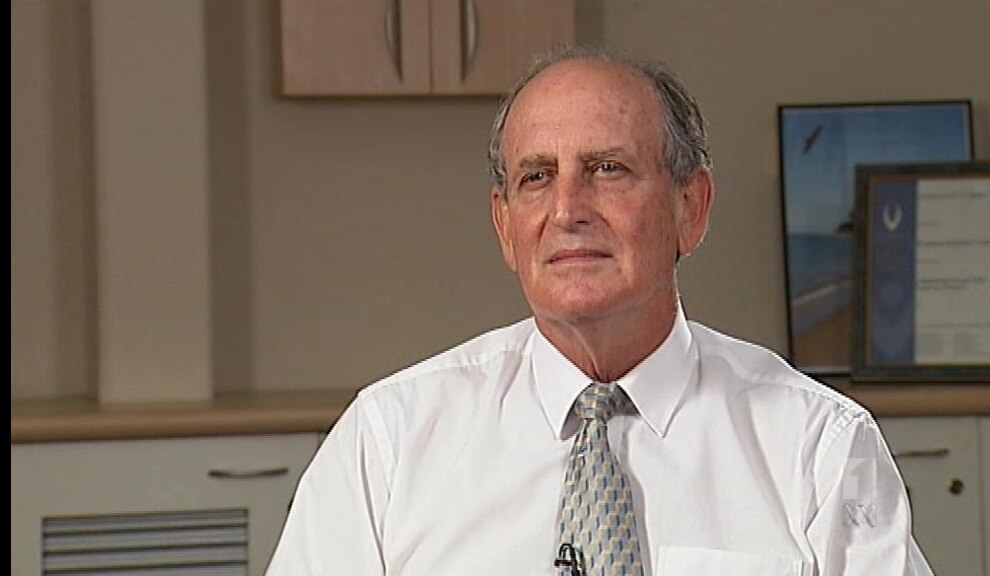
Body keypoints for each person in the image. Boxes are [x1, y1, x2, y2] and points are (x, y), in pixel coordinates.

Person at [266, 46, 932, 575]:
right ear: (505, 227)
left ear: (691, 208)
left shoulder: (819, 448)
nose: (567, 210)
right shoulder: (387, 442)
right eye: (536, 177)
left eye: (607, 169)